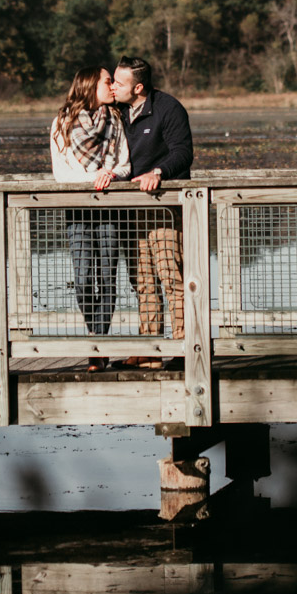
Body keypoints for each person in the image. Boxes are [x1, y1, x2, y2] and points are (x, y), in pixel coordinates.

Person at [110, 56, 193, 369]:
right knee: (141, 280)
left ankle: (184, 348)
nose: (113, 87)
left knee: (172, 277)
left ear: (138, 88)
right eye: (112, 81)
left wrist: (158, 171)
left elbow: (183, 153)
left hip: (162, 207)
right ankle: (150, 350)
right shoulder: (115, 111)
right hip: (128, 208)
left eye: (119, 82)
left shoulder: (168, 108)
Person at [50, 66, 131, 372]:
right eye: (107, 81)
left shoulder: (115, 120)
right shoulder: (62, 121)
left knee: (107, 278)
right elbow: (61, 174)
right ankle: (95, 336)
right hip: (78, 210)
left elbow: (125, 165)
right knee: (84, 279)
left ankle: (98, 346)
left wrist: (111, 174)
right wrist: (95, 176)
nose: (113, 86)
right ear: (89, 86)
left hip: (109, 208)